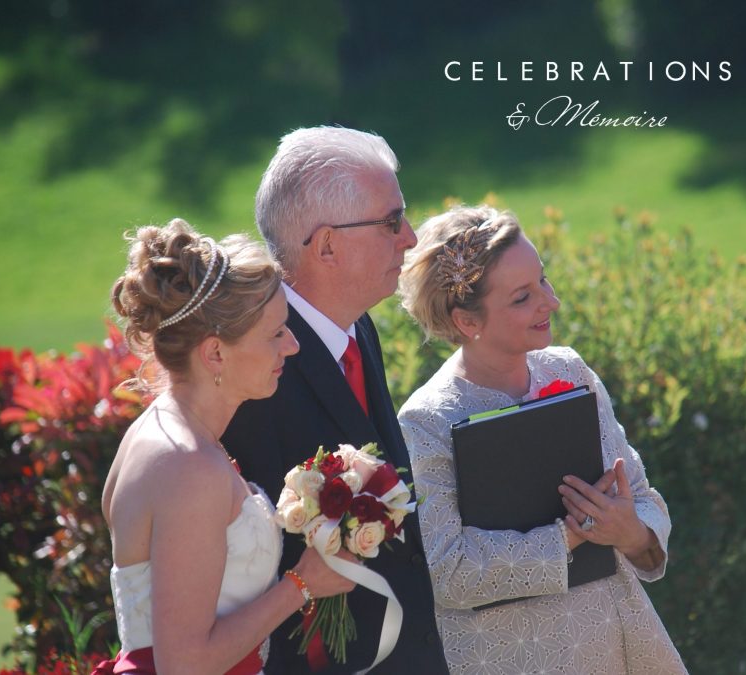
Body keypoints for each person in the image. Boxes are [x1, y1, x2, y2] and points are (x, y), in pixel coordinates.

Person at [396, 205, 687, 674]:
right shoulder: (427, 419)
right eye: (522, 297)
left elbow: (641, 495)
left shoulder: (570, 370)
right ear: (467, 321)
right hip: (510, 658)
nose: (549, 302)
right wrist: (572, 533)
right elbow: (446, 571)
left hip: (619, 645)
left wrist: (630, 530)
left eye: (544, 281)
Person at [221, 127, 449, 674]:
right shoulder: (255, 366)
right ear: (326, 245)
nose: (411, 238)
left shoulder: (356, 325)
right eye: (390, 221)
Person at [97, 218, 355, 674]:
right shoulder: (187, 466)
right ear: (215, 353)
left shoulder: (163, 434)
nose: (292, 346)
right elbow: (186, 664)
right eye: (275, 333)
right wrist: (302, 583)